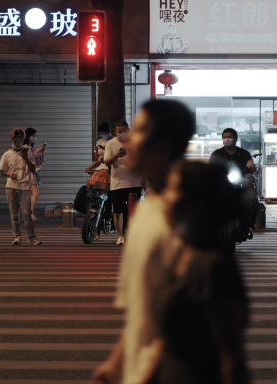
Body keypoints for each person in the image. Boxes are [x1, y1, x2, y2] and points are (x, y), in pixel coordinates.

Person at [92, 100, 197, 384]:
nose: (128, 139)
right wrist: (115, 365)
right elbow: (142, 311)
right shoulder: (147, 211)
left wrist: (145, 374)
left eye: (138, 131)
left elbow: (186, 321)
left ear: (161, 146)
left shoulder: (182, 221)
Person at [149, 160, 250, 384]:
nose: (165, 197)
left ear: (196, 203)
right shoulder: (181, 251)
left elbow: (231, 358)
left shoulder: (215, 268)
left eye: (173, 189)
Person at [0, 129, 42, 246]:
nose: (18, 143)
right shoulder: (7, 154)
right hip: (11, 186)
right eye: (15, 141)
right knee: (14, 213)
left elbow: (33, 170)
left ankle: (31, 237)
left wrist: (26, 157)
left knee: (27, 212)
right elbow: (2, 171)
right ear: (11, 140)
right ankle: (17, 236)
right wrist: (9, 174)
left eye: (20, 141)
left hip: (25, 186)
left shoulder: (29, 152)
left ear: (24, 140)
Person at [104, 120, 142, 246]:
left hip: (135, 182)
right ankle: (120, 236)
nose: (121, 134)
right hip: (118, 183)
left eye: (124, 131)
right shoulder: (111, 144)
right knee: (118, 211)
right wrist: (116, 156)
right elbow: (107, 162)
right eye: (119, 132)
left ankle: (132, 235)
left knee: (134, 212)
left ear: (129, 130)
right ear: (115, 131)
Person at [24, 127, 46, 222]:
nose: (34, 138)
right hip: (29, 172)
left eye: (35, 136)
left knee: (31, 194)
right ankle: (30, 214)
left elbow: (38, 161)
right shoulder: (25, 147)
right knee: (35, 193)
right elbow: (29, 158)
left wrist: (41, 152)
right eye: (33, 136)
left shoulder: (32, 147)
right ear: (28, 136)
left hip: (33, 172)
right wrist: (37, 152)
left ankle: (30, 213)